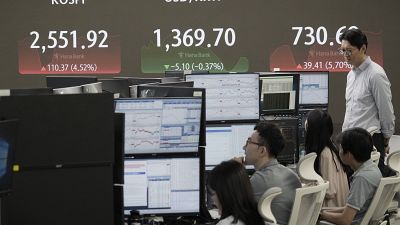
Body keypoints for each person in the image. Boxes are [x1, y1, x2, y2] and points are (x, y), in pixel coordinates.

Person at [339, 28, 395, 177]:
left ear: (363, 48)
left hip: (368, 142)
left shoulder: (375, 74)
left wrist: (386, 139)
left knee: (371, 191)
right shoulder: (351, 74)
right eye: (343, 50)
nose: (345, 55)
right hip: (350, 141)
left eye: (349, 51)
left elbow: (386, 110)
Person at [234, 121, 302, 225]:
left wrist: (234, 171)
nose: (244, 147)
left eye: (248, 142)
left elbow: (230, 209)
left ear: (262, 151)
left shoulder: (258, 180)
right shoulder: (292, 175)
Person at [320, 128, 382, 225]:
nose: (338, 151)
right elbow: (351, 208)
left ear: (348, 154)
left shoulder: (362, 178)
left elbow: (345, 220)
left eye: (340, 148)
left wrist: (322, 216)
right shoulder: (373, 169)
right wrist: (323, 211)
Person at [305, 109, 349, 207]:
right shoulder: (331, 149)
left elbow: (330, 191)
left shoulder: (325, 154)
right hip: (335, 208)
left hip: (330, 211)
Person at [207, 160, 265, 225]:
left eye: (213, 193)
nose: (213, 201)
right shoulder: (256, 216)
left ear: (224, 194)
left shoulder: (226, 223)